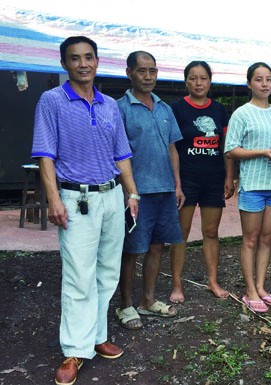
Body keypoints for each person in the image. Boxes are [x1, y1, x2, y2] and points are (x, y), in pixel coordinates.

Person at [31, 36, 139, 385]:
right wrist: (53, 199)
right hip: (76, 199)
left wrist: (132, 192)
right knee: (79, 276)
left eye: (88, 57)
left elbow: (121, 154)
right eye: (75, 58)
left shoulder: (109, 105)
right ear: (64, 64)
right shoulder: (52, 101)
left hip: (111, 196)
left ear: (97, 61)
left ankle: (96, 336)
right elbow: (44, 154)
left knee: (107, 271)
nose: (83, 64)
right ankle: (74, 350)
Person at [116, 51, 185, 330]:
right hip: (137, 193)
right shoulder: (119, 108)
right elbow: (117, 154)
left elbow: (172, 149)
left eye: (152, 71)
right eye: (142, 71)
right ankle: (125, 305)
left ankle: (147, 300)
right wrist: (126, 191)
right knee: (132, 249)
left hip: (165, 191)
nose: (148, 76)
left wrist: (177, 185)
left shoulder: (165, 108)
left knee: (157, 246)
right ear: (129, 73)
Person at [224, 62, 271, 313]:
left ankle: (261, 287)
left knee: (266, 238)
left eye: (269, 79)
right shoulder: (242, 113)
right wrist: (262, 152)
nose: (265, 84)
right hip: (253, 185)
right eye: (259, 79)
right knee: (250, 239)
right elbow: (231, 149)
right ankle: (249, 291)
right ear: (249, 84)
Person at [168, 61, 236, 303]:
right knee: (181, 233)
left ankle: (213, 281)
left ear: (210, 81)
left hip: (214, 179)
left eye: (203, 78)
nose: (198, 83)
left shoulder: (219, 110)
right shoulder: (176, 109)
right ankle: (176, 285)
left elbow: (226, 146)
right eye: (193, 78)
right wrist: (176, 183)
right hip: (187, 180)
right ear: (186, 81)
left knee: (211, 232)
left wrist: (229, 177)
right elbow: (172, 147)